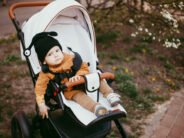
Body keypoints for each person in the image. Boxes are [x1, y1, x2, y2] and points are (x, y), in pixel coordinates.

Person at [29, 31, 121, 119]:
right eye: (50, 54)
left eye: (57, 51)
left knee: (98, 78)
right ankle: (96, 107)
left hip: (85, 81)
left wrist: (79, 75)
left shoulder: (71, 58)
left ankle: (110, 95)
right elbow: (39, 88)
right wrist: (41, 103)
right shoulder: (46, 72)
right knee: (79, 97)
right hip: (71, 90)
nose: (56, 55)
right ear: (44, 61)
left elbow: (84, 67)